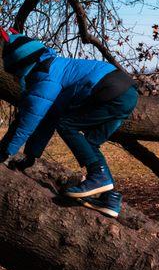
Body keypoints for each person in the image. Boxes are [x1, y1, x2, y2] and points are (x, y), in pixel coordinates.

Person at [0, 27, 138, 218]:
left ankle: (98, 177)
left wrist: (6, 152)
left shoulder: (46, 77)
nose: (16, 79)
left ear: (22, 66)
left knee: (68, 126)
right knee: (89, 144)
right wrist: (31, 156)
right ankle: (110, 199)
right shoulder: (56, 68)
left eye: (14, 74)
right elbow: (47, 120)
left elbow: (28, 121)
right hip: (127, 93)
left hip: (110, 91)